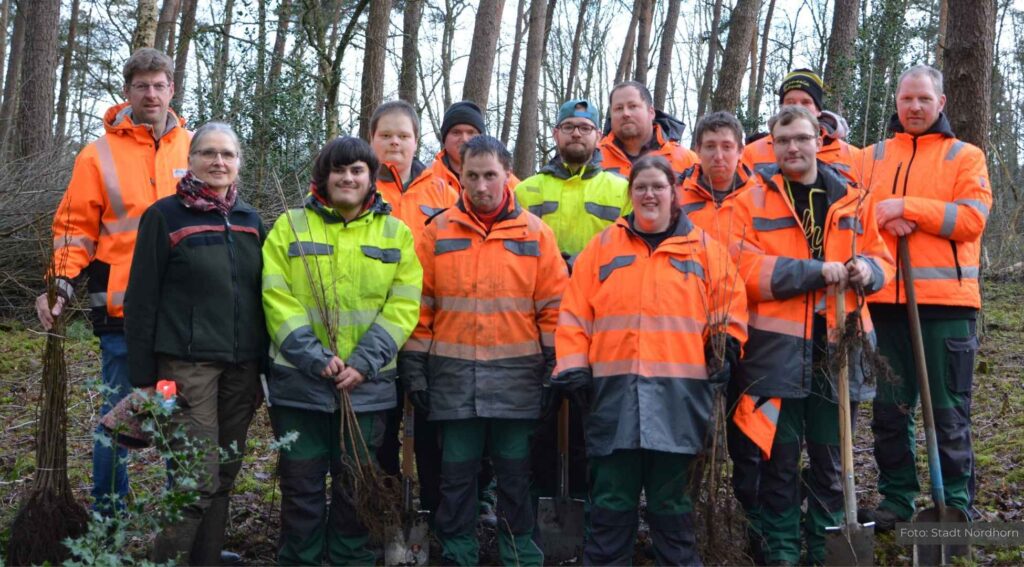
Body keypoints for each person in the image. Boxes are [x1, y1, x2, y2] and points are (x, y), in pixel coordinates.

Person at [553, 155, 748, 565]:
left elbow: (729, 307)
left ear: (675, 193)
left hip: (680, 402)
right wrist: (572, 367)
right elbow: (573, 315)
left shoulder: (706, 252)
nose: (649, 194)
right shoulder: (601, 249)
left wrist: (726, 342)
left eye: (658, 186)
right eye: (640, 187)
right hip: (613, 400)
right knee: (610, 506)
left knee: (673, 510)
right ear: (630, 195)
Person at [724, 105, 894, 566]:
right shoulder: (750, 200)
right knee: (776, 462)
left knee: (831, 461)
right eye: (783, 141)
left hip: (841, 348)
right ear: (772, 146)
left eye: (801, 138)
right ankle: (781, 552)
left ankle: (823, 549)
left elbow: (884, 258)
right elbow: (743, 269)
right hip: (774, 355)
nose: (793, 148)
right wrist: (815, 272)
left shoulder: (856, 198)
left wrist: (868, 270)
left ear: (819, 139)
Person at [398, 136, 567, 566]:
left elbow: (553, 308)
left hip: (518, 381)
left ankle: (519, 553)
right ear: (461, 177)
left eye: (490, 175)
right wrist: (415, 368)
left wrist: (555, 369)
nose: (481, 185)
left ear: (506, 175)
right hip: (454, 382)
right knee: (456, 478)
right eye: (471, 176)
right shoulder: (436, 232)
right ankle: (458, 552)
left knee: (515, 476)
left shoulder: (536, 233)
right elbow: (420, 307)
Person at [36, 48, 191, 516]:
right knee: (118, 420)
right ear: (127, 91)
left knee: (173, 416)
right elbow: (74, 227)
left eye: (158, 84)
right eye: (141, 85)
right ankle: (109, 522)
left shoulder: (195, 147)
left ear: (171, 89)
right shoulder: (97, 154)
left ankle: (177, 527)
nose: (150, 93)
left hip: (180, 320)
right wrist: (60, 283)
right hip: (120, 319)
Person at [262, 136, 422, 565]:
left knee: (357, 488)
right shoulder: (290, 226)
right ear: (324, 177)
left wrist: (364, 364)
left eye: (357, 170)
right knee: (301, 487)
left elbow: (404, 304)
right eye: (339, 170)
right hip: (301, 385)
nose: (347, 178)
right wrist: (314, 357)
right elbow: (276, 297)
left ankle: (350, 560)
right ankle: (302, 559)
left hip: (365, 389)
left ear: (372, 179)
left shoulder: (396, 234)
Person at [124, 122, 264, 564]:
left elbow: (262, 298)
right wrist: (144, 378)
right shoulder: (164, 215)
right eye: (208, 153)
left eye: (227, 154)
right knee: (195, 480)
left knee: (223, 473)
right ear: (191, 159)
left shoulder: (250, 219)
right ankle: (170, 560)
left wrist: (264, 366)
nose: (218, 161)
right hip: (187, 369)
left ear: (239, 162)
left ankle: (206, 559)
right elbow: (141, 299)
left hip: (241, 369)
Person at [860, 64, 991, 532]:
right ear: (896, 102)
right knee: (890, 413)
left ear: (941, 103)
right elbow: (851, 213)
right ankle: (897, 498)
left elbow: (971, 220)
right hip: (883, 304)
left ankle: (954, 503)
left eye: (923, 99)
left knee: (948, 411)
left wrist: (907, 207)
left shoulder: (965, 157)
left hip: (948, 307)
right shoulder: (871, 157)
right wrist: (880, 215)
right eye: (906, 99)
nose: (914, 107)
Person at [368, 100, 459, 487]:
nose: (394, 143)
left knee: (430, 424)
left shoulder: (443, 190)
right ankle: (383, 502)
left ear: (416, 140)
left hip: (429, 328)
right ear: (371, 139)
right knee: (381, 426)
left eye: (403, 136)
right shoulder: (358, 185)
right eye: (385, 135)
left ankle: (436, 508)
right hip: (373, 326)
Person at [741, 69, 863, 180]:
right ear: (781, 107)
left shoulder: (853, 157)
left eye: (806, 102)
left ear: (818, 110)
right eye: (790, 102)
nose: (798, 108)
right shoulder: (750, 153)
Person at [678, 110, 759, 241]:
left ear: (740, 151)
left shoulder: (760, 197)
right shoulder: (675, 198)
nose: (718, 156)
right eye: (710, 146)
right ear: (698, 150)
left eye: (727, 147)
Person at [597, 81, 698, 177]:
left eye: (632, 106)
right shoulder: (593, 159)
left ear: (651, 112)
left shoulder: (688, 162)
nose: (625, 113)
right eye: (619, 108)